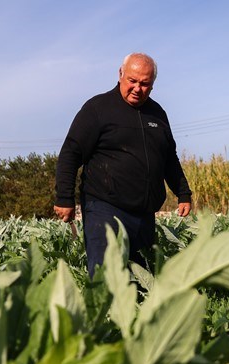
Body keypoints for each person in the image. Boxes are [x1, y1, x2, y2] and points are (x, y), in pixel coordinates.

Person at [54, 52, 192, 277]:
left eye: (145, 83)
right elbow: (71, 152)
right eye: (132, 81)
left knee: (140, 281)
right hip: (104, 207)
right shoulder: (98, 108)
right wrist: (64, 198)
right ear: (120, 74)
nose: (138, 88)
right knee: (106, 278)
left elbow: (169, 157)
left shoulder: (157, 114)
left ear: (152, 85)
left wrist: (183, 193)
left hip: (144, 214)